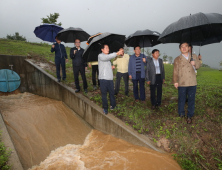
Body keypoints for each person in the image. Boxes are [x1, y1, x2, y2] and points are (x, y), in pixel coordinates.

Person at [173, 42, 201, 124]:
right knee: (181, 99)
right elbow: (175, 71)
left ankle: (190, 115)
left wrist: (195, 63)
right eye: (182, 46)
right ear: (180, 49)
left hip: (192, 82)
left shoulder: (194, 56)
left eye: (186, 46)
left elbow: (198, 66)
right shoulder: (177, 59)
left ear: (189, 48)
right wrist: (175, 81)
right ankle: (181, 113)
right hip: (182, 82)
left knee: (191, 99)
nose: (184, 48)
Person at [98, 44, 123, 114]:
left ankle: (113, 105)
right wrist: (117, 53)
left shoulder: (109, 59)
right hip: (103, 79)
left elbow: (106, 64)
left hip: (110, 79)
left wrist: (111, 67)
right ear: (102, 50)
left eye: (108, 48)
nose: (108, 49)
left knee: (112, 93)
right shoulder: (100, 56)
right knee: (104, 94)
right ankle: (105, 108)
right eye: (106, 48)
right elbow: (106, 58)